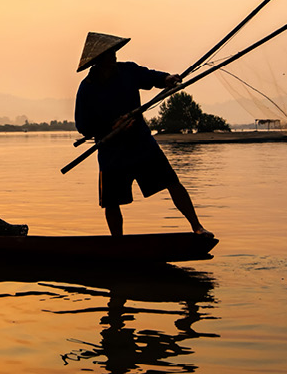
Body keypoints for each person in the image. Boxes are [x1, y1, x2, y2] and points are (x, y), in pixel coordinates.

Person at [73, 32, 208, 237]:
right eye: (109, 54)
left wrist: (166, 78)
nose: (114, 57)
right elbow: (83, 125)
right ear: (98, 60)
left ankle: (197, 227)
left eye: (114, 52)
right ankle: (117, 242)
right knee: (111, 201)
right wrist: (112, 126)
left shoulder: (127, 71)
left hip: (140, 143)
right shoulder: (87, 88)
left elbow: (150, 76)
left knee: (172, 182)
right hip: (111, 151)